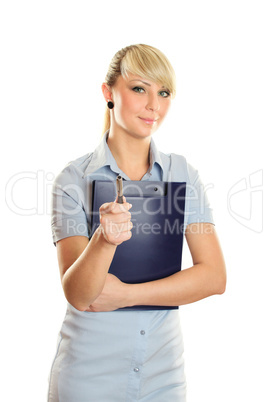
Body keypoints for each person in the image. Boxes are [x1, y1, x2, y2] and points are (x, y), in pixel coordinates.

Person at [48, 44, 226, 402]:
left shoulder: (183, 175)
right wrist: (104, 241)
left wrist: (128, 295)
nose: (154, 105)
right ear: (108, 93)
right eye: (139, 88)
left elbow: (214, 276)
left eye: (163, 93)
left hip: (163, 376)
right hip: (89, 375)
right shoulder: (73, 180)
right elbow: (80, 294)